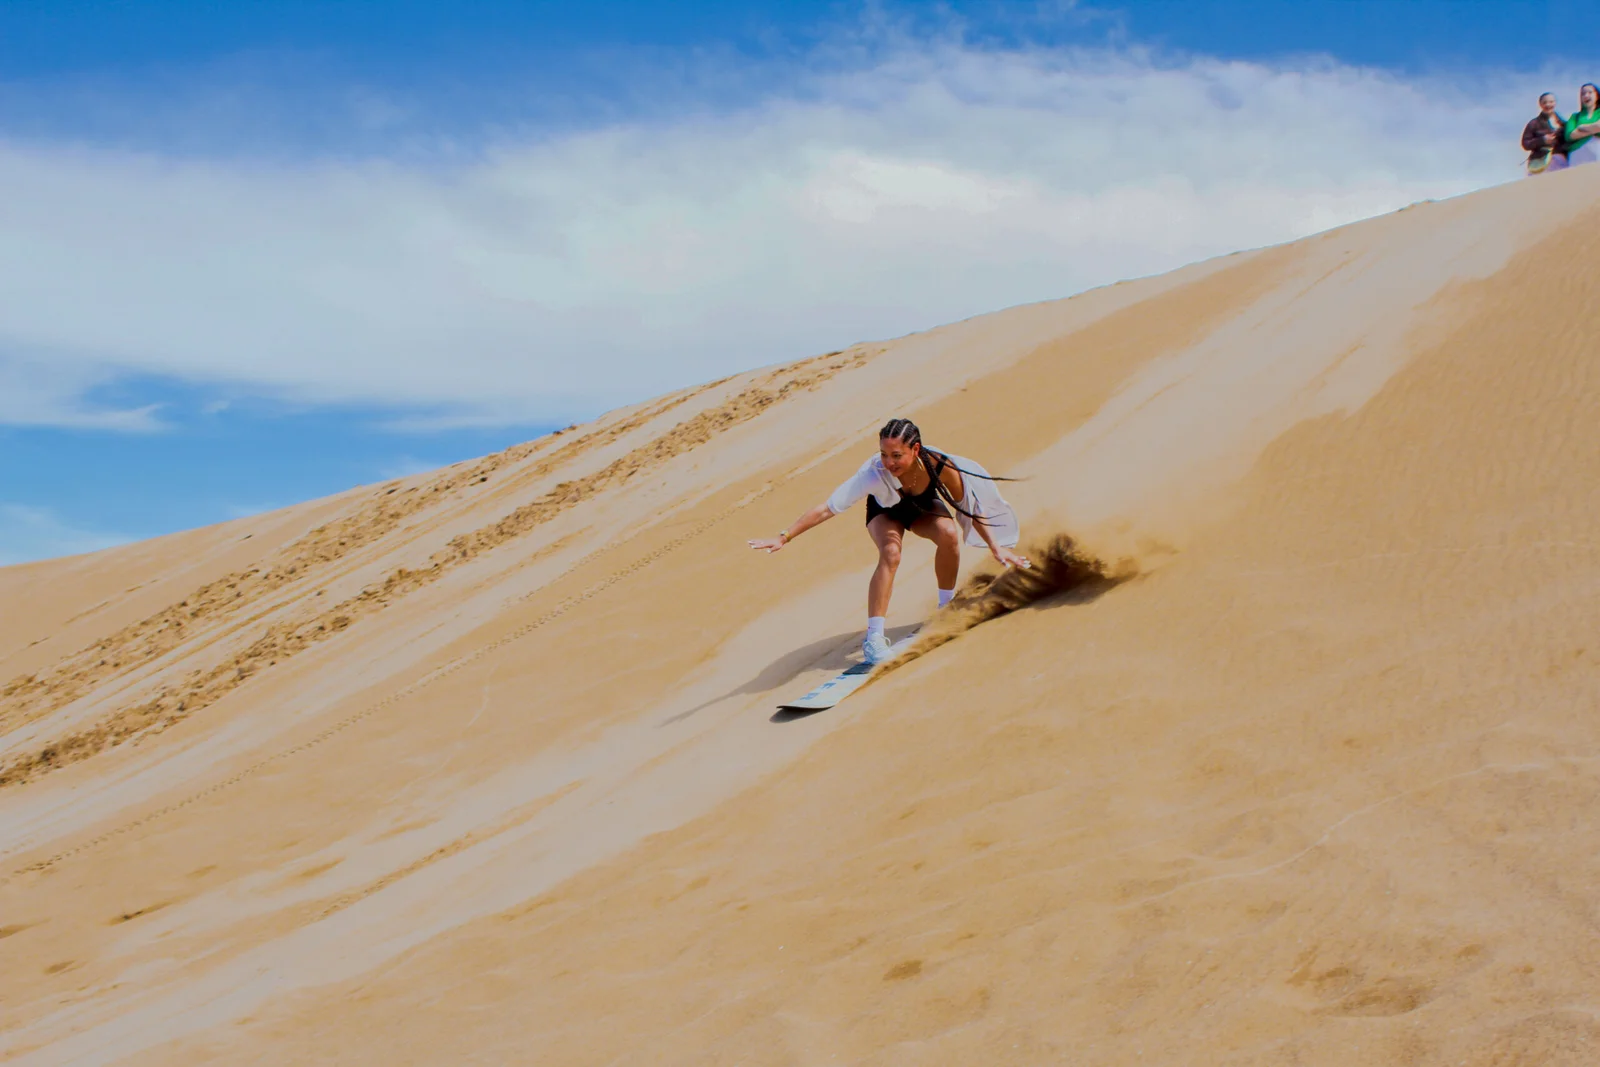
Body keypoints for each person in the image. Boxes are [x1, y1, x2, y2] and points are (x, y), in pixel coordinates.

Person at [748, 418, 1030, 664]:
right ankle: (874, 639)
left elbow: (969, 506)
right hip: (885, 511)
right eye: (884, 454)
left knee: (949, 534)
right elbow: (826, 508)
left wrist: (996, 547)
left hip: (920, 507)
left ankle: (946, 606)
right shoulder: (873, 474)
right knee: (891, 553)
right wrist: (784, 536)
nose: (889, 462)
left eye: (896, 455)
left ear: (915, 449)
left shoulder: (939, 465)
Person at [1523, 92, 1568, 174]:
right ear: (1540, 104)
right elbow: (1525, 143)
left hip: (1561, 160)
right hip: (1540, 161)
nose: (1548, 105)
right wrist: (1542, 140)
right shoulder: (1534, 123)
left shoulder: (1564, 124)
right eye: (1545, 102)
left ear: (1555, 103)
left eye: (1551, 102)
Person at [1565, 83, 1600, 166]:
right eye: (1583, 94)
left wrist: (1582, 127)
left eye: (1590, 92)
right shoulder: (1575, 117)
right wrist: (1593, 129)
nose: (1586, 95)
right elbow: (1570, 135)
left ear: (1597, 95)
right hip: (1576, 154)